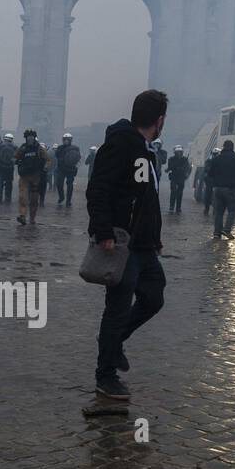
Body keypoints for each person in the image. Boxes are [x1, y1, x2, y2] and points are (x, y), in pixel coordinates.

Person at [86, 89, 169, 402]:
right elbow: (99, 188)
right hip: (121, 242)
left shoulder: (147, 150)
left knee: (154, 296)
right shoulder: (121, 143)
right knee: (117, 308)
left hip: (144, 244)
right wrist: (103, 230)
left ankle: (115, 340)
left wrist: (154, 234)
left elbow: (146, 197)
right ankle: (105, 376)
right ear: (159, 120)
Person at [205, 139, 235, 240]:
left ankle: (216, 233)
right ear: (232, 147)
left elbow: (210, 174)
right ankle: (226, 230)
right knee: (233, 210)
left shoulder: (216, 159)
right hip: (231, 189)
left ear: (223, 147)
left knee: (218, 212)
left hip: (218, 189)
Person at [13, 128, 50, 226]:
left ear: (34, 138)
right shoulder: (23, 148)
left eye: (31, 137)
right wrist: (15, 160)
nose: (30, 139)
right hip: (24, 177)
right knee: (23, 197)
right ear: (26, 138)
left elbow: (48, 159)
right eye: (28, 137)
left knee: (34, 200)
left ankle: (32, 218)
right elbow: (15, 157)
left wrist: (45, 167)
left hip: (35, 178)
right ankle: (22, 216)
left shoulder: (39, 149)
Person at [54, 133, 82, 206]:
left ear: (70, 140)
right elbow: (57, 156)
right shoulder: (60, 148)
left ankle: (68, 201)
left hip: (70, 169)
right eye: (65, 139)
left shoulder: (75, 148)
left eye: (67, 139)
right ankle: (61, 197)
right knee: (59, 184)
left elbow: (78, 158)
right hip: (61, 169)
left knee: (70, 186)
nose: (66, 141)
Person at [167, 145, 191, 214]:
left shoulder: (185, 159)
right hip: (174, 177)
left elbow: (187, 168)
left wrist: (186, 173)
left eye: (180, 152)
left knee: (180, 193)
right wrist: (177, 167)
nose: (179, 153)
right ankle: (171, 207)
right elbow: (170, 166)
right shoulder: (171, 159)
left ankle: (178, 208)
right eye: (177, 152)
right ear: (175, 152)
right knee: (173, 192)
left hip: (181, 178)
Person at [0, 132, 16, 202]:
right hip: (10, 168)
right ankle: (8, 197)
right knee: (9, 183)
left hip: (1, 167)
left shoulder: (0, 145)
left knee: (0, 182)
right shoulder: (14, 146)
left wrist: (0, 143)